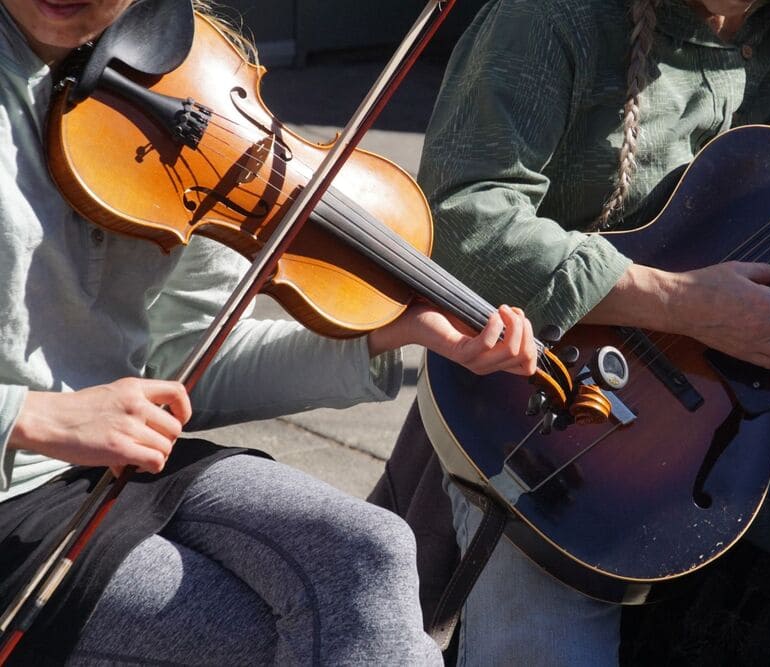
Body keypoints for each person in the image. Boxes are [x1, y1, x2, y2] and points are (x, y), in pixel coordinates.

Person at [372, 0, 770, 664]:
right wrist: (681, 303)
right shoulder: (550, 16)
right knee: (543, 631)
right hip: (550, 398)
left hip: (756, 400)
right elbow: (461, 219)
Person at [0, 0, 541, 664]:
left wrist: (388, 332)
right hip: (11, 498)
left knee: (375, 551)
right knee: (265, 634)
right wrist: (30, 413)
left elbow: (190, 358)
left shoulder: (189, 74)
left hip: (112, 470)